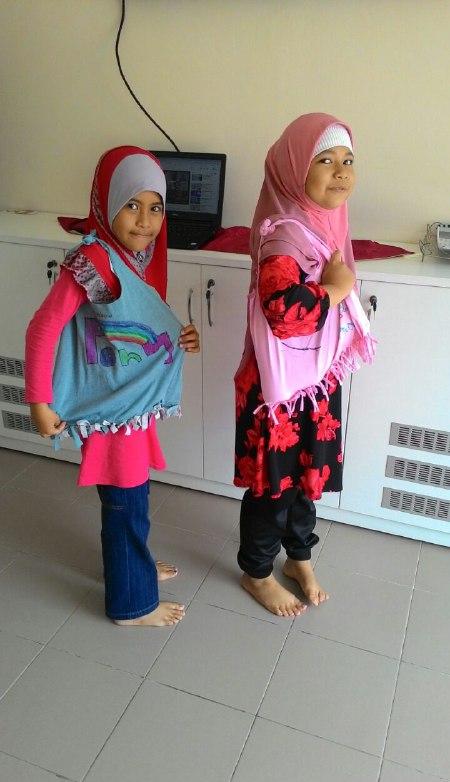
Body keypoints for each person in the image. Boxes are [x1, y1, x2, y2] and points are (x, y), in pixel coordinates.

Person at [25, 146, 200, 626]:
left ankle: (131, 564)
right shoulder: (93, 261)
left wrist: (180, 337)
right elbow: (43, 329)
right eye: (131, 204)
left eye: (155, 207)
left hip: (129, 407)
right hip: (111, 411)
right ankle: (130, 604)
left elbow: (133, 325)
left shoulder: (132, 257)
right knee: (126, 503)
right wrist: (39, 400)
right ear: (105, 204)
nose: (145, 220)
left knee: (130, 499)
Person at [234, 113, 376, 617]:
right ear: (295, 169)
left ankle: (298, 558)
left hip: (313, 382)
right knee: (275, 485)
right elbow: (283, 313)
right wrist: (336, 290)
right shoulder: (285, 235)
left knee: (306, 476)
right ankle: (256, 571)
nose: (341, 171)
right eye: (325, 160)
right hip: (278, 391)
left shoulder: (325, 222)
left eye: (348, 160)